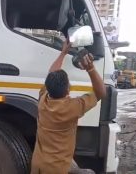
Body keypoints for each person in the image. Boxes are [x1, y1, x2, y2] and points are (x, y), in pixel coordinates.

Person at [31, 40, 106, 174]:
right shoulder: (72, 107)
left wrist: (63, 52)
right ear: (67, 90)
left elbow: (52, 72)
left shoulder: (43, 99)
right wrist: (91, 68)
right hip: (56, 169)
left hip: (38, 165)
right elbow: (101, 93)